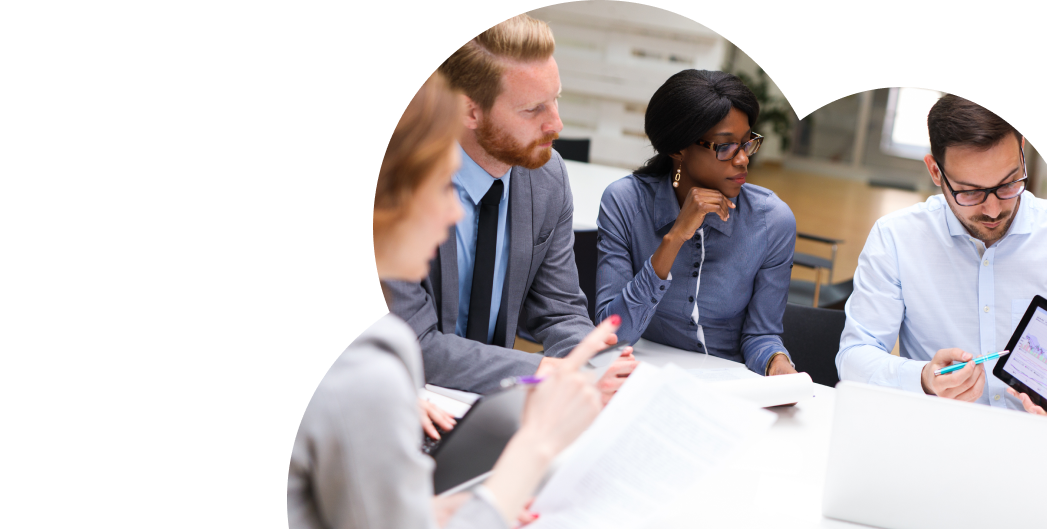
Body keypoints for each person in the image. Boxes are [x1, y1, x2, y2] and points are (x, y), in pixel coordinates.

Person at [288, 72, 613, 528]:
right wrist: (534, 448)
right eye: (443, 185)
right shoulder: (366, 373)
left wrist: (432, 512)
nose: (458, 210)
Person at [835, 94, 1047, 415]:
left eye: (1008, 184)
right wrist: (922, 378)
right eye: (970, 192)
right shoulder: (896, 238)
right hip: (938, 440)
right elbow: (854, 356)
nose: (993, 209)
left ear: (1022, 151)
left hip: (1045, 446)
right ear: (936, 172)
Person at [383, 14, 638, 403]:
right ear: (470, 112)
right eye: (533, 109)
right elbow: (410, 342)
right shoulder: (399, 183)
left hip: (492, 403)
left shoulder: (546, 176)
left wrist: (590, 362)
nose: (557, 124)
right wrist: (538, 372)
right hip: (407, 400)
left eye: (556, 99)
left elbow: (560, 310)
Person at [593, 69, 798, 376]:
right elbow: (610, 335)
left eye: (746, 143)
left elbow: (761, 336)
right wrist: (675, 238)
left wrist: (778, 365)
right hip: (640, 377)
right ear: (678, 148)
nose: (742, 159)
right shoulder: (625, 202)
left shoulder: (771, 221)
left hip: (725, 386)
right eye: (725, 146)